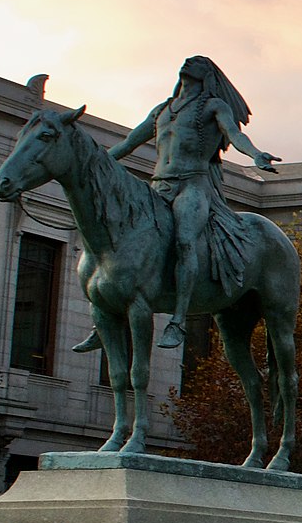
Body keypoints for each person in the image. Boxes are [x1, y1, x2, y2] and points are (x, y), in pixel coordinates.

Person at [75, 56, 280, 352]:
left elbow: (235, 135)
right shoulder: (163, 110)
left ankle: (178, 320)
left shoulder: (212, 107)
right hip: (159, 185)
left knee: (185, 240)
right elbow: (131, 141)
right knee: (123, 240)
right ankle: (105, 318)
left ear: (207, 74)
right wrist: (96, 163)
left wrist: (256, 154)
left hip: (193, 187)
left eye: (197, 62)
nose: (188, 62)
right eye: (187, 60)